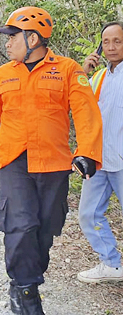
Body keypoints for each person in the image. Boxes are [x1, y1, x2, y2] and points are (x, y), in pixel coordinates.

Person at [0, 7, 102, 315]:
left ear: (33, 38)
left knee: (45, 229)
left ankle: (28, 278)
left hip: (53, 162)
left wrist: (88, 152)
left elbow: (85, 112)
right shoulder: (4, 73)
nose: (7, 43)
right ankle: (24, 291)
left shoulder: (67, 70)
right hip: (13, 161)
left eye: (12, 37)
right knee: (21, 225)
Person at [77, 21, 123, 283]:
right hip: (99, 160)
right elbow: (80, 105)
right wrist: (83, 72)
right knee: (88, 213)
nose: (111, 47)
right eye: (106, 42)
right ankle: (111, 264)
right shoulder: (99, 77)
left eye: (117, 41)